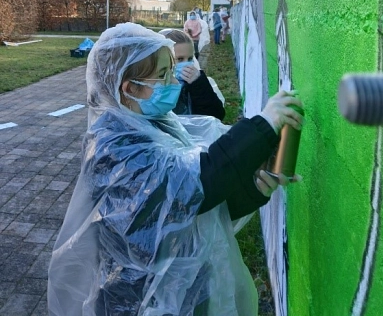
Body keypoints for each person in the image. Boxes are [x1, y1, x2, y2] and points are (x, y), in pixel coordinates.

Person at [47, 23, 304, 316]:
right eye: (162, 75)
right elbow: (194, 183)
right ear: (129, 88)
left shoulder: (156, 123)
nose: (174, 82)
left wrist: (256, 187)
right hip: (140, 300)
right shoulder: (114, 146)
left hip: (180, 290)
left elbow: (189, 213)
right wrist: (262, 126)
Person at [159, 28, 225, 120]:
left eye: (190, 59)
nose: (187, 64)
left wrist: (199, 84)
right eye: (180, 59)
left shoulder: (196, 82)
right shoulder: (153, 87)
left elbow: (216, 116)